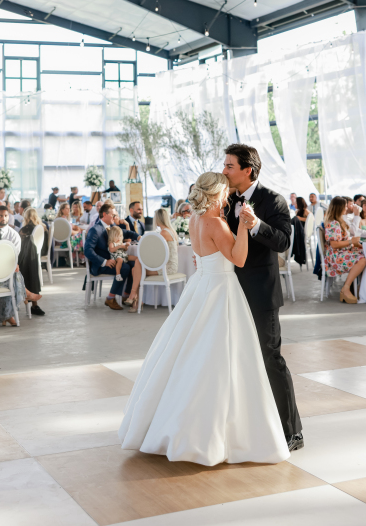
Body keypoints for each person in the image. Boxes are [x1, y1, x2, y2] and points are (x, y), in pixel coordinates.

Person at [119, 171, 289, 466]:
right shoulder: (217, 223)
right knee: (221, 358)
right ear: (217, 194)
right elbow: (239, 259)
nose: (228, 196)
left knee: (186, 354)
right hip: (221, 289)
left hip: (200, 286)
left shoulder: (196, 220)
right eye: (225, 192)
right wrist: (245, 228)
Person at [223, 143, 303, 452]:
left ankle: (291, 431)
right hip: (227, 292)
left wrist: (255, 224)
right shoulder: (225, 198)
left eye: (229, 166)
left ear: (248, 170)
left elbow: (282, 242)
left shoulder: (273, 201)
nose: (224, 170)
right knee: (232, 360)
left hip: (260, 294)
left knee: (271, 359)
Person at [84, 201, 138, 310]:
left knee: (134, 264)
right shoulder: (95, 230)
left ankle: (126, 295)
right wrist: (104, 261)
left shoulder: (112, 226)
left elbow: (125, 233)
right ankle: (110, 298)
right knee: (125, 267)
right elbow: (88, 251)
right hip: (100, 265)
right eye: (113, 215)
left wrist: (138, 236)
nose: (115, 217)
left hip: (114, 260)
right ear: (104, 214)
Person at [324, 196, 366, 304]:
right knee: (363, 260)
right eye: (345, 206)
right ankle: (346, 288)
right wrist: (352, 242)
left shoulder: (339, 221)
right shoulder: (333, 223)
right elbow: (334, 244)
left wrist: (354, 244)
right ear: (339, 208)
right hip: (336, 258)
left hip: (341, 253)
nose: (346, 208)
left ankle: (358, 287)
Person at [18, 207, 46, 315]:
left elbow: (20, 247)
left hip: (27, 259)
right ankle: (34, 304)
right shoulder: (41, 227)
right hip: (35, 258)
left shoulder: (25, 230)